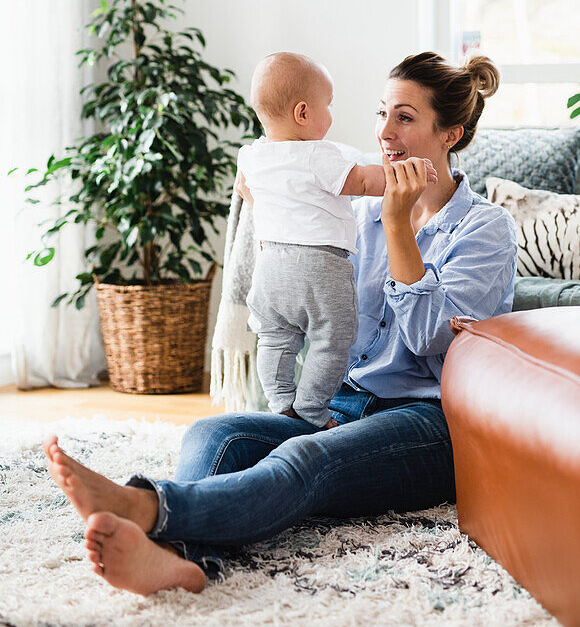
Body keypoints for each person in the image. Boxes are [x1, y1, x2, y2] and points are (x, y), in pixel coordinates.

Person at [43, 50, 518, 597]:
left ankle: (147, 506)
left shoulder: (485, 229)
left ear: (450, 135)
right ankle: (180, 560)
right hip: (338, 401)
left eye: (405, 117)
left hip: (427, 424)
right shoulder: (351, 207)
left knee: (303, 456)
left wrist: (397, 228)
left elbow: (431, 338)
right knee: (215, 434)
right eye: (381, 113)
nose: (384, 132)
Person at [238, 51, 437, 430]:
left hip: (269, 268)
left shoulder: (252, 156)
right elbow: (363, 181)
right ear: (302, 114)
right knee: (333, 338)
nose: (331, 115)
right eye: (326, 106)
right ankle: (312, 408)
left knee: (276, 338)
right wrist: (404, 174)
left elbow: (254, 195)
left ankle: (281, 402)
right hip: (319, 265)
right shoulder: (319, 155)